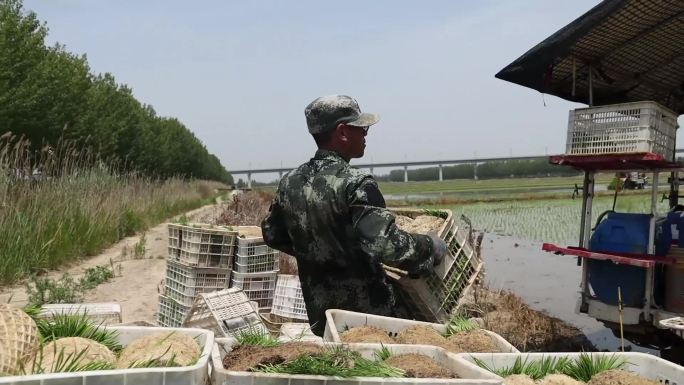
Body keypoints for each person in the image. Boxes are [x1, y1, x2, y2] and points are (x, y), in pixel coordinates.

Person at [261, 95, 447, 336]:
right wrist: (430, 246)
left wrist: (317, 249)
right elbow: (387, 247)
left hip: (323, 318)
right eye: (362, 128)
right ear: (343, 132)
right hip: (369, 319)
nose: (366, 134)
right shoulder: (356, 183)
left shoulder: (290, 183)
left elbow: (272, 234)